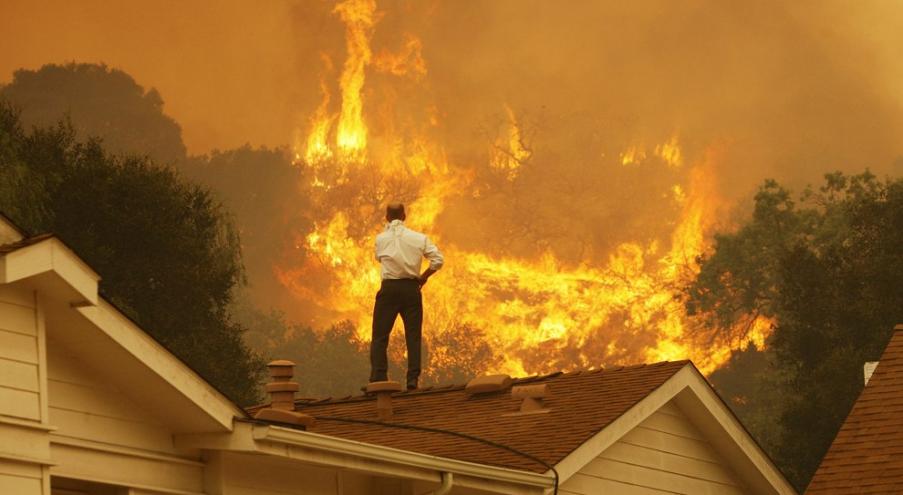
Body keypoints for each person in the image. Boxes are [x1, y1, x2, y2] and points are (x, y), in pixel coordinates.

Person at [369, 203, 444, 390]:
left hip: (389, 289)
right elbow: (438, 260)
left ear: (387, 217)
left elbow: (380, 258)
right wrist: (424, 277)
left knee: (380, 336)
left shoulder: (380, 239)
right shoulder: (419, 238)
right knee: (413, 336)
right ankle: (412, 380)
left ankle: (379, 378)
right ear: (404, 216)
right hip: (411, 289)